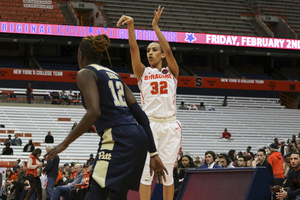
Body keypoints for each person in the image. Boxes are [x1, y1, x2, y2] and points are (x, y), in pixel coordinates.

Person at [44, 33, 167, 200]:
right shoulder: (114, 75)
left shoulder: (85, 73)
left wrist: (65, 143)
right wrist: (153, 152)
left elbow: (94, 111)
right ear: (100, 55)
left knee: (96, 192)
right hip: (139, 137)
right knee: (118, 195)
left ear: (80, 55)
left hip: (117, 135)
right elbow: (140, 114)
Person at [117, 6, 181, 200]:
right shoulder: (143, 73)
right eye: (148, 50)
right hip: (148, 125)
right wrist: (131, 26)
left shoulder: (172, 72)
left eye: (154, 50)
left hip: (170, 125)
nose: (149, 53)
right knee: (145, 174)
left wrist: (155, 26)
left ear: (162, 55)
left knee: (168, 173)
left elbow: (169, 49)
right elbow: (133, 48)